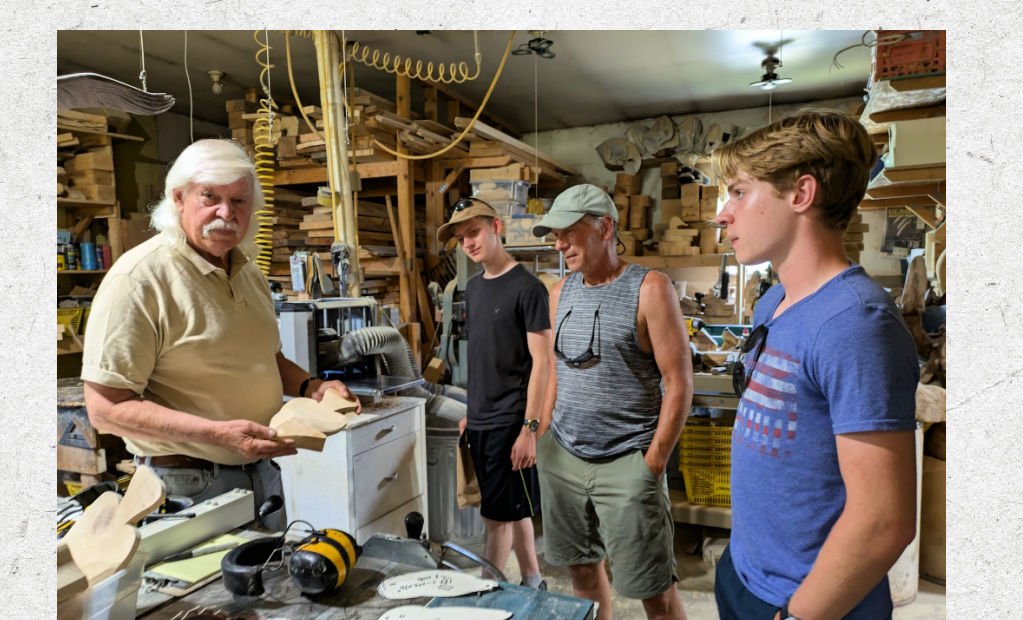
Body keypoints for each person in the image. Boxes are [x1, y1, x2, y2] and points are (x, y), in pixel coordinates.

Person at [81, 139, 359, 531]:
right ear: (179, 198)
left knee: (270, 583)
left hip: (261, 475)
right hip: (186, 487)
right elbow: (104, 408)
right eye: (210, 196)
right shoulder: (140, 278)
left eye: (239, 201)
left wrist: (313, 387)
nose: (225, 213)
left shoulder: (248, 273)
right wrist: (218, 434)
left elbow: (268, 359)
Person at [711, 109, 918, 620]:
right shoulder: (773, 301)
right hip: (745, 572)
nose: (722, 213)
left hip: (811, 600)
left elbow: (885, 520)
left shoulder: (856, 324)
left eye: (739, 192)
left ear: (801, 194)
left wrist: (803, 614)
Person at [531, 184, 693, 620]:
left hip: (627, 462)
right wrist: (543, 435)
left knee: (653, 592)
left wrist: (652, 464)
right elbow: (554, 372)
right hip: (562, 457)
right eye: (555, 235)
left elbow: (679, 382)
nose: (559, 244)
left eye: (568, 232)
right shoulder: (559, 293)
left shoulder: (650, 288)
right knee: (581, 574)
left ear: (605, 228)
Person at [436, 196, 552, 589]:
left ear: (496, 227)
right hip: (482, 418)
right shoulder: (473, 288)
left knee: (494, 521)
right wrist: (473, 409)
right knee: (511, 508)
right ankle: (533, 578)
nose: (468, 242)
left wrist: (529, 429)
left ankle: (488, 594)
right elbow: (483, 357)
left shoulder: (529, 288)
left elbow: (543, 363)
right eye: (461, 237)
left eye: (474, 232)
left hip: (511, 421)